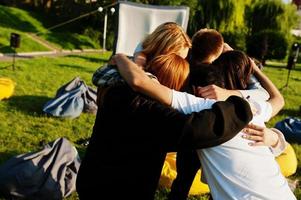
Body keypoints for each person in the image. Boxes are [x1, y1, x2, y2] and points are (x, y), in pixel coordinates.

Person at [111, 51, 295, 200]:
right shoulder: (250, 107)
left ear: (196, 90)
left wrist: (121, 57)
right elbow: (278, 100)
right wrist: (253, 67)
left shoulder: (201, 107)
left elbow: (139, 81)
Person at [76, 52, 252, 200]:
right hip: (118, 191)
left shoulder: (119, 89)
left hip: (93, 181)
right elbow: (195, 129)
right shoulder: (148, 110)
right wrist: (239, 108)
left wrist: (121, 58)